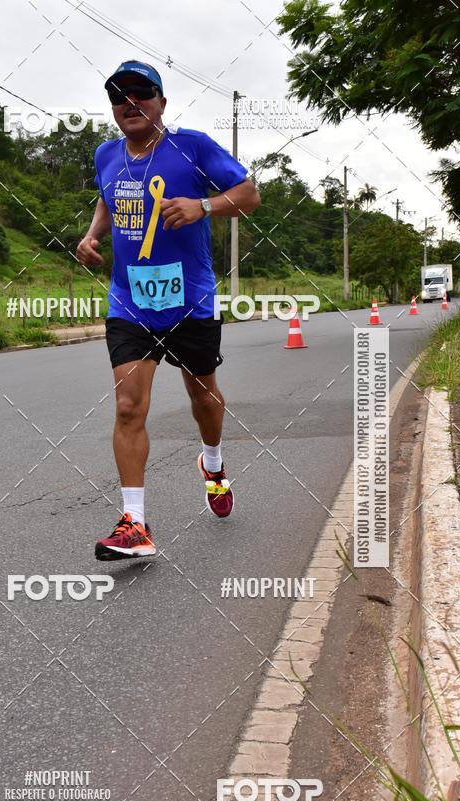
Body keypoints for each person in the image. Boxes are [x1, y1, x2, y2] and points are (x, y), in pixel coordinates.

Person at [76, 60, 260, 561]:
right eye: (118, 97)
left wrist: (204, 206)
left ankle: (214, 464)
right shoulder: (106, 154)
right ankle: (134, 524)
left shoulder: (193, 145)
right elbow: (106, 200)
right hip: (129, 302)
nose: (129, 103)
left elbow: (249, 194)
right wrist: (94, 235)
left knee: (203, 397)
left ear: (161, 101)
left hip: (191, 301)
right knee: (129, 405)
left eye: (141, 93)